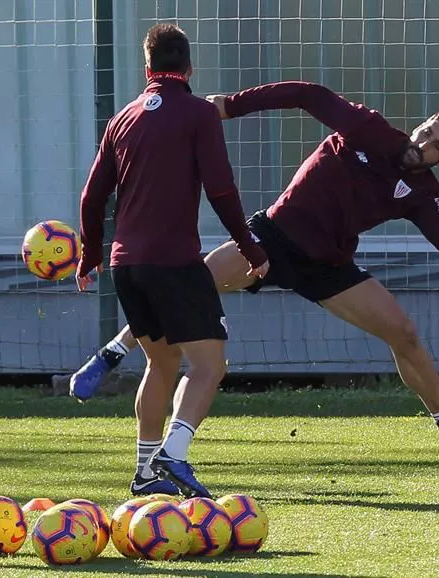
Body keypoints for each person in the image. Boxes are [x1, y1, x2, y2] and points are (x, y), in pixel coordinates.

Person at [71, 80, 439, 449]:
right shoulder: (369, 129)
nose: (424, 142)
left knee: (404, 332)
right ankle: (113, 351)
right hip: (272, 238)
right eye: (426, 131)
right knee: (191, 285)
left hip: (327, 265)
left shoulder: (424, 193)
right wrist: (230, 106)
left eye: (435, 145)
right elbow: (306, 94)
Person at [76, 23, 268, 499]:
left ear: (148, 69)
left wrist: (88, 255)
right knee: (209, 365)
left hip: (127, 266)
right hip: (174, 263)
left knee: (161, 363)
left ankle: (144, 472)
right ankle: (174, 452)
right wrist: (250, 246)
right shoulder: (199, 113)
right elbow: (221, 188)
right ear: (189, 67)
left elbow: (92, 195)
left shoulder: (122, 118)